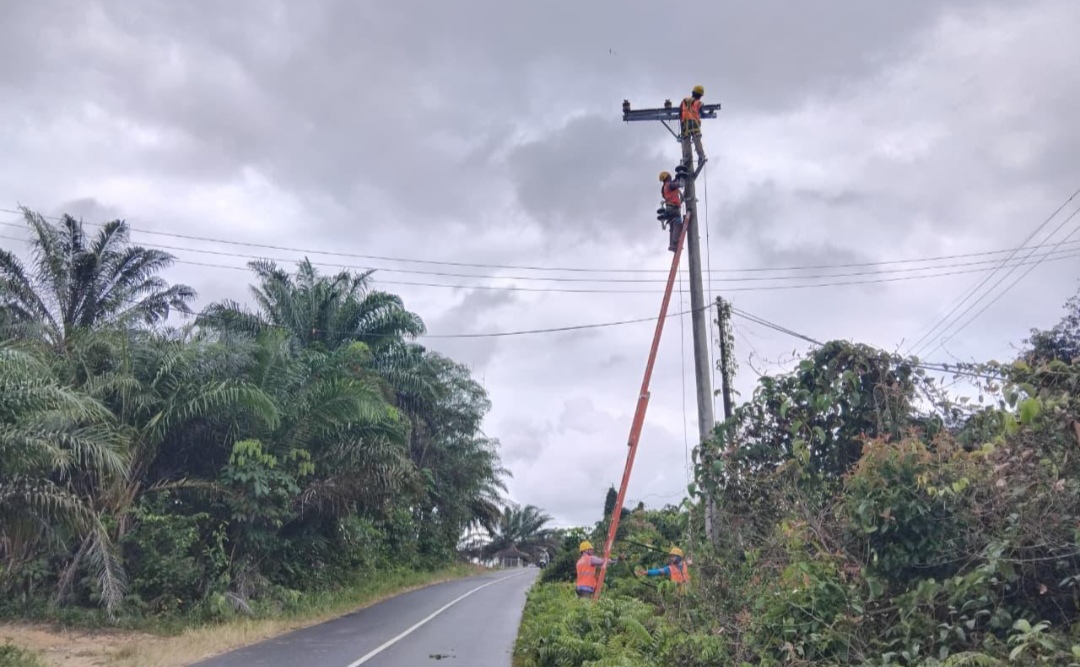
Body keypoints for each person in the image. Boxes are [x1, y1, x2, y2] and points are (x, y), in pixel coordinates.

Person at [657, 170, 685, 252]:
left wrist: (678, 177)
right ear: (668, 177)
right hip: (674, 209)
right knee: (678, 224)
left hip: (669, 209)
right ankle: (675, 242)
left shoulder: (665, 187)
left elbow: (674, 183)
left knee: (672, 227)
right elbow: (677, 184)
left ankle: (672, 245)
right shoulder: (670, 185)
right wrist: (682, 180)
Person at [679, 85, 706, 166]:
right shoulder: (699, 103)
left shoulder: (684, 100)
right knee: (697, 140)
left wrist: (682, 124)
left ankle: (687, 161)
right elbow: (702, 113)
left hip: (685, 125)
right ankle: (701, 156)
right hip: (694, 124)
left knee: (686, 142)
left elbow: (680, 112)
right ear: (700, 95)